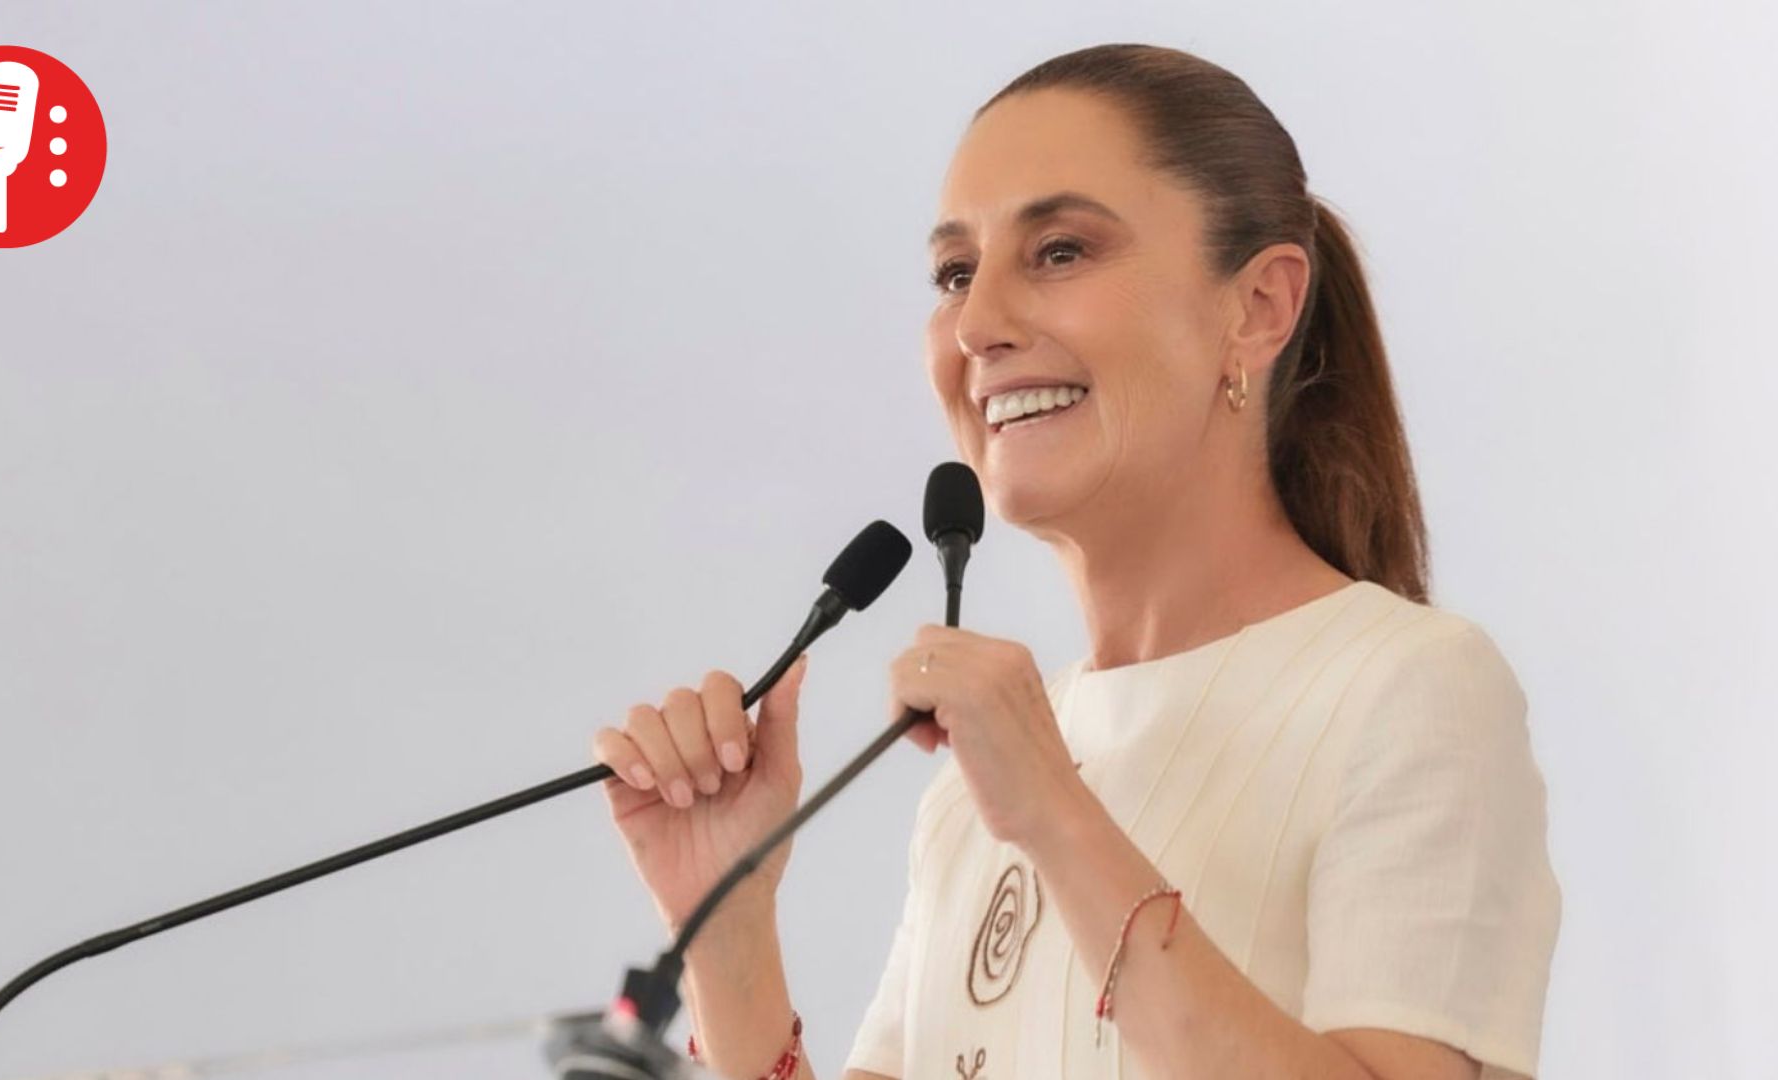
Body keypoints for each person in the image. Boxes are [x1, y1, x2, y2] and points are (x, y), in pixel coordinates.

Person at [589, 42, 1561, 1080]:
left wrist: (1055, 815)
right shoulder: (972, 793)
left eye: (1059, 251)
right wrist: (727, 928)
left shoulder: (1412, 690)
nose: (977, 324)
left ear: (1259, 307)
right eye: (955, 273)